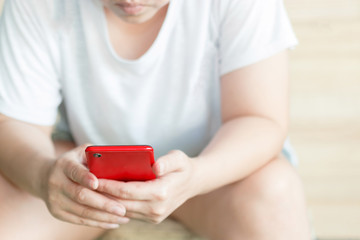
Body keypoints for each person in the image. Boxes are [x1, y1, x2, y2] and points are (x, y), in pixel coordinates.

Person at [0, 0, 311, 239]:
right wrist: (43, 177)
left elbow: (259, 118)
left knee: (277, 192)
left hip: (215, 174)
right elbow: (15, 124)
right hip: (91, 179)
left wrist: (198, 176)